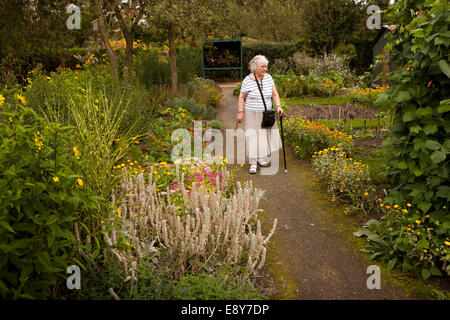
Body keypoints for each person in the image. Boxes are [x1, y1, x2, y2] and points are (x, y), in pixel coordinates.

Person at [237, 55, 283, 174]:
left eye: (266, 66)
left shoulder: (268, 78)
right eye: (262, 67)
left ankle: (260, 157)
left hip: (266, 113)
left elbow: (275, 94)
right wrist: (240, 112)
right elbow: (241, 97)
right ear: (255, 67)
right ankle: (253, 162)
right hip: (251, 112)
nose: (265, 69)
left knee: (263, 136)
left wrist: (278, 106)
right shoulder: (248, 80)